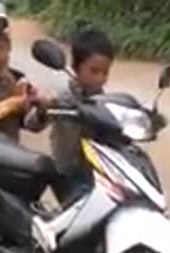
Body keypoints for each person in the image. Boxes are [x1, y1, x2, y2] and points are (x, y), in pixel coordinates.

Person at [26, 28, 116, 204]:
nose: (101, 79)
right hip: (67, 173)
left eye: (105, 73)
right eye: (94, 71)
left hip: (98, 173)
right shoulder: (62, 98)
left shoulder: (106, 102)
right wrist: (43, 109)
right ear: (75, 68)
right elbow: (31, 124)